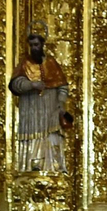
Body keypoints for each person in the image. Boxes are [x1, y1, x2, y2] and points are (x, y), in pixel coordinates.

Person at [8, 22, 73, 173]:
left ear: (42, 44)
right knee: (34, 138)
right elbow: (15, 83)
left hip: (50, 108)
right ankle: (33, 164)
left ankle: (54, 166)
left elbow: (62, 85)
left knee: (52, 136)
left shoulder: (51, 63)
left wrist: (61, 104)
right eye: (31, 45)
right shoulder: (24, 64)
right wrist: (31, 85)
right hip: (32, 111)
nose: (34, 48)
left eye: (36, 44)